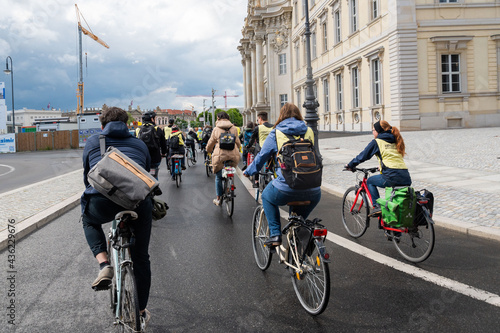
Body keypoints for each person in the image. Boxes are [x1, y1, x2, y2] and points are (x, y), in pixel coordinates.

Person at [81, 106, 152, 324]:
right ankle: (140, 314)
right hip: (137, 203)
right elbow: (146, 173)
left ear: (102, 125)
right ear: (128, 124)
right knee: (141, 257)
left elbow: (87, 176)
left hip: (103, 200)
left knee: (88, 219)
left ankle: (104, 265)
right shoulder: (139, 143)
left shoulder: (94, 142)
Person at [244, 103, 321, 246]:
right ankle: (300, 247)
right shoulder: (309, 130)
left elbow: (262, 156)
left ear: (281, 115)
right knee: (298, 220)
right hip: (314, 190)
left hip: (287, 187)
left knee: (266, 197)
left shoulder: (277, 132)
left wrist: (249, 171)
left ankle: (275, 235)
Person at [345, 120, 412, 217]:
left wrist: (350, 165)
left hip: (391, 176)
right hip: (405, 176)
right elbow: (391, 157)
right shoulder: (395, 140)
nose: (372, 132)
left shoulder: (377, 142)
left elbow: (363, 156)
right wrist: (380, 166)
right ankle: (393, 228)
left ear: (378, 131)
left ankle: (377, 206)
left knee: (370, 181)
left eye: (373, 130)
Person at [206, 111, 241, 206]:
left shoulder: (216, 129)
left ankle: (218, 198)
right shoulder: (233, 128)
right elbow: (238, 142)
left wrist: (208, 150)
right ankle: (230, 186)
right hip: (233, 155)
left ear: (218, 118)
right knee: (231, 170)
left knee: (218, 176)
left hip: (220, 156)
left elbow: (211, 142)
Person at [136, 111, 167, 179]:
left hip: (142, 157)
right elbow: (163, 143)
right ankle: (155, 187)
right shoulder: (157, 129)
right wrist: (164, 153)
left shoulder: (138, 129)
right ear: (152, 119)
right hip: (155, 158)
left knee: (143, 176)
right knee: (154, 176)